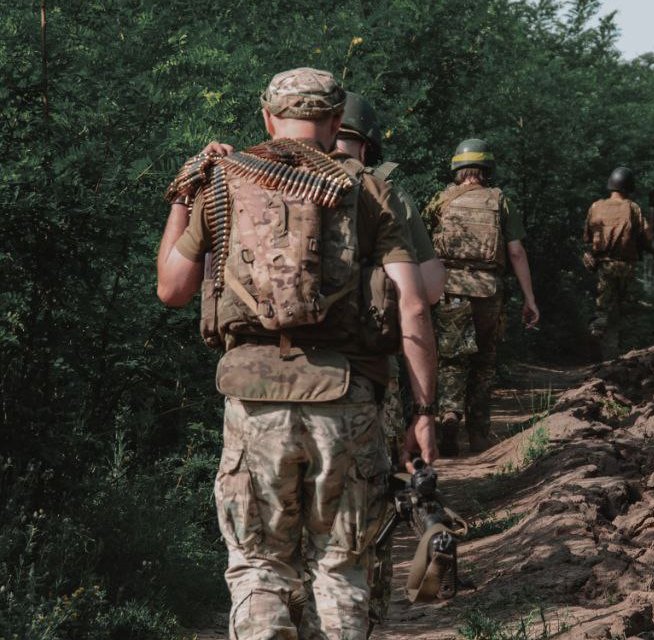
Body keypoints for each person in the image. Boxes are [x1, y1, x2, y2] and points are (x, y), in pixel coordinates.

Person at [155, 67, 439, 639]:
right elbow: (413, 305)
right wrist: (425, 410)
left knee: (259, 565)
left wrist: (183, 200)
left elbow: (172, 289)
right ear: (336, 123)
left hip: (252, 399)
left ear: (266, 117)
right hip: (348, 397)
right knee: (340, 567)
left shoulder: (224, 184)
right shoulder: (367, 189)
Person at [334, 90, 446, 630]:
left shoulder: (258, 178)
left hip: (261, 388)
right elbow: (426, 290)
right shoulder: (382, 191)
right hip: (361, 382)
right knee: (359, 526)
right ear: (368, 140)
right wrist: (423, 408)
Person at [424, 138, 539, 456]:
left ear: (457, 168)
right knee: (484, 362)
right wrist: (530, 298)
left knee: (451, 360)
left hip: (451, 289)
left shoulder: (441, 200)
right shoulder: (500, 201)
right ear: (487, 168)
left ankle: (448, 415)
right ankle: (478, 436)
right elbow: (516, 252)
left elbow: (423, 249)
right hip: (488, 291)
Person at [583, 166, 654, 360]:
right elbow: (647, 238)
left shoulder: (596, 206)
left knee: (602, 309)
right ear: (629, 186)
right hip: (626, 266)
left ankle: (596, 343)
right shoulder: (632, 208)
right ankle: (621, 354)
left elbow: (587, 238)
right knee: (624, 310)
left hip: (603, 266)